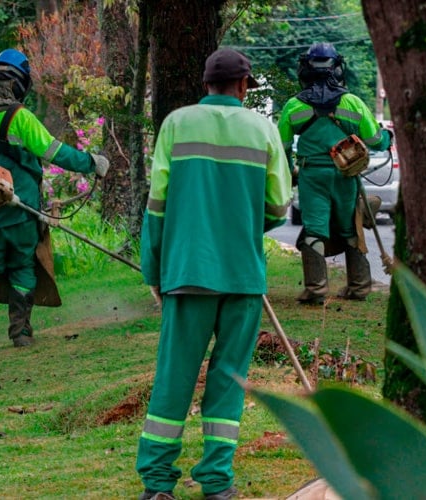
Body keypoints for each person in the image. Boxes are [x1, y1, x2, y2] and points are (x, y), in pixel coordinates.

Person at [136, 48, 292, 500]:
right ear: (244, 86)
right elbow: (279, 207)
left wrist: (154, 269)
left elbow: (157, 207)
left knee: (174, 378)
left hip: (187, 273)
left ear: (205, 84)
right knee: (228, 380)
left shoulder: (177, 124)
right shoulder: (262, 129)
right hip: (243, 276)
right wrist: (242, 224)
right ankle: (218, 483)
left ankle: (157, 483)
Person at [0, 48, 109, 354]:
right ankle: (21, 333)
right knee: (23, 266)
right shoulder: (20, 118)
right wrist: (91, 162)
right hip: (21, 214)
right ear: (19, 83)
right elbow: (55, 153)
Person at [278, 42, 392, 304]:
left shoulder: (294, 107)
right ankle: (359, 287)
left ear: (305, 69)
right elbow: (375, 140)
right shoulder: (352, 102)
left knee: (314, 230)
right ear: (337, 69)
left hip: (311, 176)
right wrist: (388, 138)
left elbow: (282, 148)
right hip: (346, 175)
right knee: (350, 227)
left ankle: (316, 290)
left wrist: (291, 171)